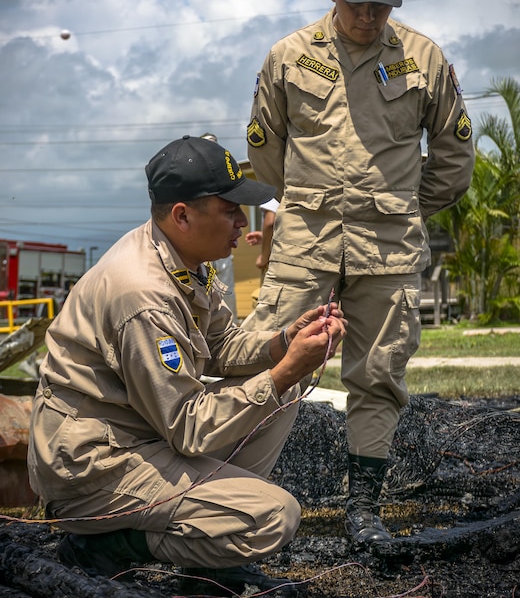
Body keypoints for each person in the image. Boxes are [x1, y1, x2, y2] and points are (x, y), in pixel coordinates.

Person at [27, 135, 346, 597]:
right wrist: (284, 371)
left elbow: (221, 345)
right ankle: (109, 544)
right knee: (271, 517)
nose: (242, 221)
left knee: (284, 392)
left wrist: (283, 344)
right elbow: (188, 428)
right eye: (230, 209)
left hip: (141, 433)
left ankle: (211, 533)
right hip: (93, 465)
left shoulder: (187, 260)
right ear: (182, 215)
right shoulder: (141, 294)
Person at [247, 0, 475, 545]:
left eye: (381, 6)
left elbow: (454, 156)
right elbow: (265, 151)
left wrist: (401, 209)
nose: (368, 17)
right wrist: (291, 208)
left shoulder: (423, 60)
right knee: (265, 356)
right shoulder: (289, 56)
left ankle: (363, 507)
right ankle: (229, 487)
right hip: (305, 243)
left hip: (389, 249)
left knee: (379, 373)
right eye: (357, 4)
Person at [200, 132, 239, 320]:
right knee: (202, 295)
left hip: (223, 248)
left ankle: (230, 333)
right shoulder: (193, 178)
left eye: (214, 145)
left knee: (226, 294)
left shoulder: (228, 177)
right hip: (201, 248)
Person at [245, 197, 279, 278]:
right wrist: (266, 237)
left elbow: (270, 222)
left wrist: (264, 258)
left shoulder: (274, 191)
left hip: (276, 263)